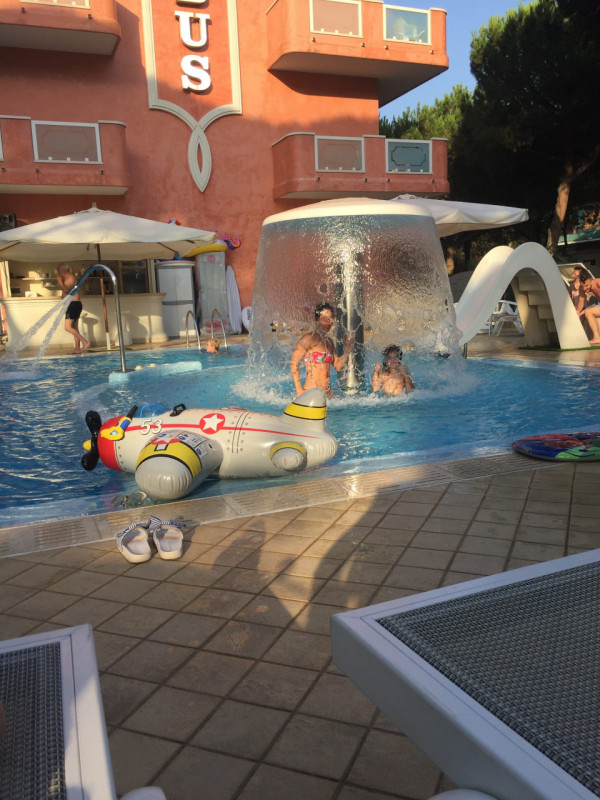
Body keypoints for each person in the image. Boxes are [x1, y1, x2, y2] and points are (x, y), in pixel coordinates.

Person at [290, 301, 353, 397]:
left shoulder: (329, 342)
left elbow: (338, 366)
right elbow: (293, 363)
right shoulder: (309, 339)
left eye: (331, 319)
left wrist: (347, 350)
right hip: (311, 393)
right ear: (318, 320)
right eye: (326, 319)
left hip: (327, 394)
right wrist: (299, 390)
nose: (330, 322)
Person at [56, 263, 89, 354]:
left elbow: (66, 290)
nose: (58, 273)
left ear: (63, 270)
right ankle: (77, 348)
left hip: (73, 304)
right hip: (72, 305)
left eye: (58, 270)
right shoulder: (66, 278)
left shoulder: (71, 277)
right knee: (74, 328)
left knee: (67, 327)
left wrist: (60, 281)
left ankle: (85, 342)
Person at [582, 275, 600, 344]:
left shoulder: (598, 282)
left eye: (586, 285)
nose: (584, 288)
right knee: (583, 312)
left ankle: (597, 338)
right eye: (583, 286)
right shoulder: (588, 289)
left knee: (588, 311)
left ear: (591, 281)